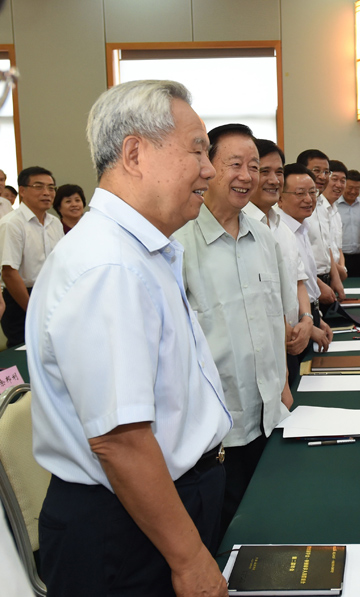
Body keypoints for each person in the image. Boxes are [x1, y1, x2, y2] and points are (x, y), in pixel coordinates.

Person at [27, 80, 232, 596]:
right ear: (135, 153)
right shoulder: (109, 265)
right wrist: (189, 559)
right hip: (127, 531)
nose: (209, 169)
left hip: (156, 510)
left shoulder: (140, 250)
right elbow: (120, 440)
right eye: (197, 150)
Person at [175, 123, 296, 536]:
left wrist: (283, 384)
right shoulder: (178, 244)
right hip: (215, 434)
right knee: (223, 535)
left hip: (269, 417)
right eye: (236, 165)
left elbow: (276, 316)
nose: (248, 176)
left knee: (268, 527)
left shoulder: (264, 237)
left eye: (255, 167)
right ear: (207, 167)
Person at [243, 139, 315, 382]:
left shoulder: (282, 227)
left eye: (279, 172)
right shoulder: (240, 226)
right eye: (264, 171)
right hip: (261, 351)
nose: (274, 180)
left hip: (293, 341)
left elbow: (298, 280)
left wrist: (307, 320)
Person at [0, 166, 64, 346]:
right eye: (38, 186)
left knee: (52, 349)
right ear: (22, 191)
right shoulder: (12, 223)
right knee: (24, 350)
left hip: (50, 294)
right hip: (21, 298)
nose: (47, 193)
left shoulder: (55, 223)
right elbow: (9, 273)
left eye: (51, 188)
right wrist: (33, 310)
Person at [276, 163, 334, 358]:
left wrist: (317, 319)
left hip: (308, 316)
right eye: (300, 193)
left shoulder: (302, 226)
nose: (308, 199)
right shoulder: (279, 232)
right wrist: (307, 326)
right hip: (294, 328)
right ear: (280, 198)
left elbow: (304, 278)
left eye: (312, 192)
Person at [298, 149, 345, 304]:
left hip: (326, 278)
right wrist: (317, 284)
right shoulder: (297, 206)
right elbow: (295, 254)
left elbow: (326, 246)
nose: (322, 177)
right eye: (316, 171)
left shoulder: (322, 206)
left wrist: (335, 277)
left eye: (326, 172)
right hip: (306, 281)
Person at [337, 169, 360, 278]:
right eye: (350, 188)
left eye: (357, 188)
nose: (353, 191)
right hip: (338, 258)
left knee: (357, 286)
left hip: (358, 257)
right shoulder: (334, 205)